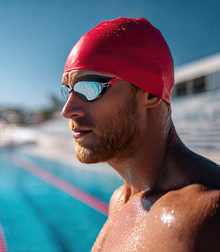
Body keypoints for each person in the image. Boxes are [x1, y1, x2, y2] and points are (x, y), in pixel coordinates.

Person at [61, 17, 219, 251]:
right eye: (69, 90)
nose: (67, 110)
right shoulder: (120, 200)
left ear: (149, 93)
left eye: (90, 88)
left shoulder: (191, 220)